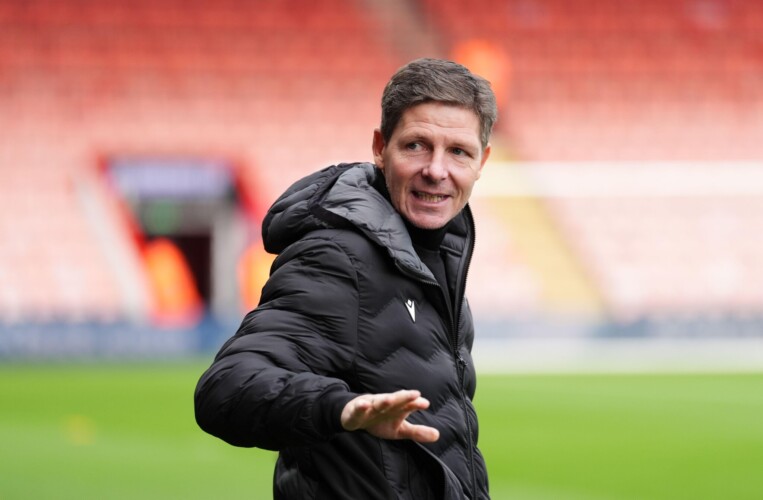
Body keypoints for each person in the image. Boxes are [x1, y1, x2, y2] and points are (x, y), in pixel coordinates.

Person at [194, 58, 497, 499]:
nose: (436, 170)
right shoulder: (339, 257)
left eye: (458, 152)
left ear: (481, 161)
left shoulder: (436, 260)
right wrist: (341, 408)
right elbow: (227, 388)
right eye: (416, 146)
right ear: (380, 147)